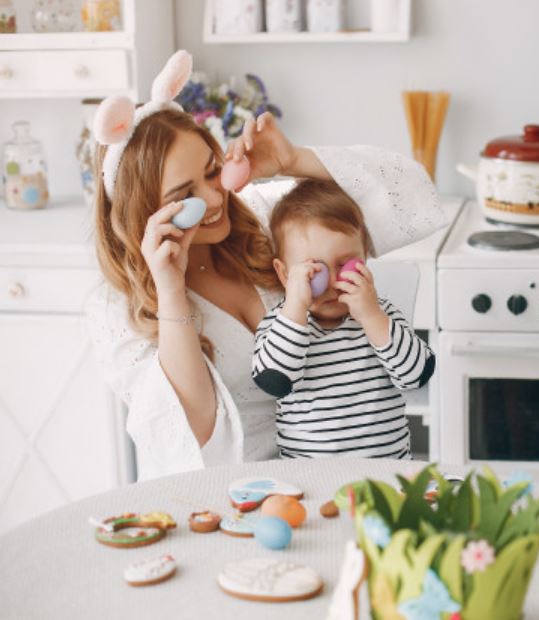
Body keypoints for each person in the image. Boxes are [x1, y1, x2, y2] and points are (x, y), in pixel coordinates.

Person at [85, 51, 444, 481]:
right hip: (231, 496)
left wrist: (295, 160)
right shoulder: (117, 307)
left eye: (213, 171)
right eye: (187, 195)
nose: (217, 199)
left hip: (339, 480)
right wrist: (170, 289)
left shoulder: (267, 221)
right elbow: (195, 432)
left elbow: (413, 198)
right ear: (146, 213)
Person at [251, 179, 434, 459]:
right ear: (285, 273)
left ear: (364, 260)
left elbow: (417, 375)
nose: (333, 282)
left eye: (345, 265)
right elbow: (275, 380)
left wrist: (372, 316)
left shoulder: (380, 316)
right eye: (315, 270)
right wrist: (296, 306)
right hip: (312, 477)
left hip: (384, 475)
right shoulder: (281, 325)